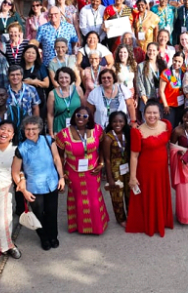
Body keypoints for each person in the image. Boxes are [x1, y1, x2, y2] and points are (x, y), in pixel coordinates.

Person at [54, 106, 109, 235]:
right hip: (73, 172)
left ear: (89, 118)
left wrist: (101, 163)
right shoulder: (63, 134)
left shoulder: (97, 129)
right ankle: (78, 226)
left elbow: (102, 146)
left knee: (94, 198)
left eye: (85, 116)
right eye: (78, 115)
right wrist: (61, 175)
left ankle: (97, 227)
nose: (81, 118)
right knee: (78, 199)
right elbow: (60, 156)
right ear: (74, 116)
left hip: (93, 169)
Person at [12, 116, 65, 250]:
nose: (31, 132)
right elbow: (15, 172)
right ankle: (43, 237)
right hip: (33, 187)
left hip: (51, 183)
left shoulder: (49, 141)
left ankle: (53, 236)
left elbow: (56, 158)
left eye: (34, 129)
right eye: (28, 129)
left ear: (40, 129)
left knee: (52, 212)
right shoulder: (21, 148)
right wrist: (23, 190)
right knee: (38, 213)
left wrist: (61, 177)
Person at [126, 101, 174, 236]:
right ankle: (151, 224)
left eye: (154, 113)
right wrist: (133, 177)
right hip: (146, 170)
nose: (151, 116)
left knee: (161, 194)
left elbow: (168, 145)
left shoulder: (166, 125)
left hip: (162, 170)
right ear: (143, 114)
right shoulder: (137, 132)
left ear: (159, 114)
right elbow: (134, 156)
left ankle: (162, 221)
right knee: (149, 197)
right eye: (148, 113)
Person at [102, 111, 132, 228]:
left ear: (125, 122)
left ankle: (131, 215)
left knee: (129, 193)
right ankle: (121, 218)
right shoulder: (108, 138)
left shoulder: (127, 134)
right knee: (117, 195)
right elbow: (107, 159)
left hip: (127, 168)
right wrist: (109, 178)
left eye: (120, 121)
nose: (117, 124)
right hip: (115, 170)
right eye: (114, 121)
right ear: (110, 123)